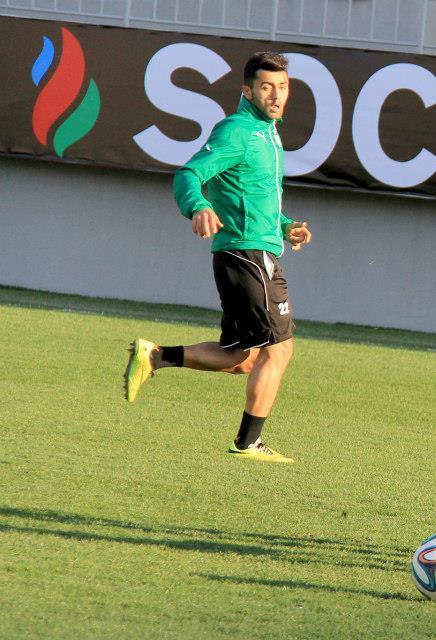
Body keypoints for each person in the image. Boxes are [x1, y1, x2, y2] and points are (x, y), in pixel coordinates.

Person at [124, 52, 312, 464]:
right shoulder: (238, 130)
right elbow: (189, 174)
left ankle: (155, 356)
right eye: (266, 87)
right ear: (248, 91)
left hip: (249, 250)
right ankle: (248, 443)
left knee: (243, 358)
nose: (276, 95)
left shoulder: (268, 133)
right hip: (247, 254)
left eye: (282, 87)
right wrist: (198, 206)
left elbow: (252, 196)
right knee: (279, 350)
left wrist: (285, 226)